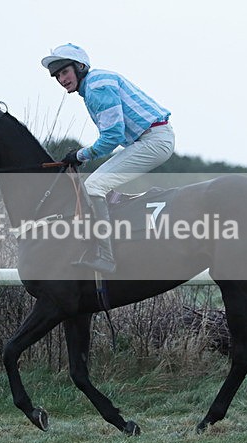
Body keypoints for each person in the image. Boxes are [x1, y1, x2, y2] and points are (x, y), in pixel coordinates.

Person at [41, 43, 175, 273]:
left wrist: (79, 155)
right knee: (101, 182)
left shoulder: (96, 88)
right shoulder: (96, 82)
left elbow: (112, 136)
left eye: (65, 72)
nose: (61, 79)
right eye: (57, 76)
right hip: (151, 138)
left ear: (80, 67)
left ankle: (107, 257)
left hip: (153, 140)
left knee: (94, 184)